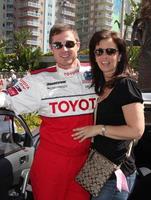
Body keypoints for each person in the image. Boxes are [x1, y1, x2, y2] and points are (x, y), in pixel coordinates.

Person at [0, 24, 97, 200]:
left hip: (87, 160)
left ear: (78, 44)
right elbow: (7, 99)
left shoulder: (96, 73)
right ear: (51, 48)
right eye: (57, 45)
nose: (64, 49)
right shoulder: (38, 79)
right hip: (52, 161)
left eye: (69, 44)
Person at [72, 30, 145, 200]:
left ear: (119, 56)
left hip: (116, 174)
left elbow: (136, 131)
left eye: (110, 51)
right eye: (99, 51)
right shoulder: (101, 86)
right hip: (99, 170)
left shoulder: (125, 86)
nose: (104, 56)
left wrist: (99, 129)